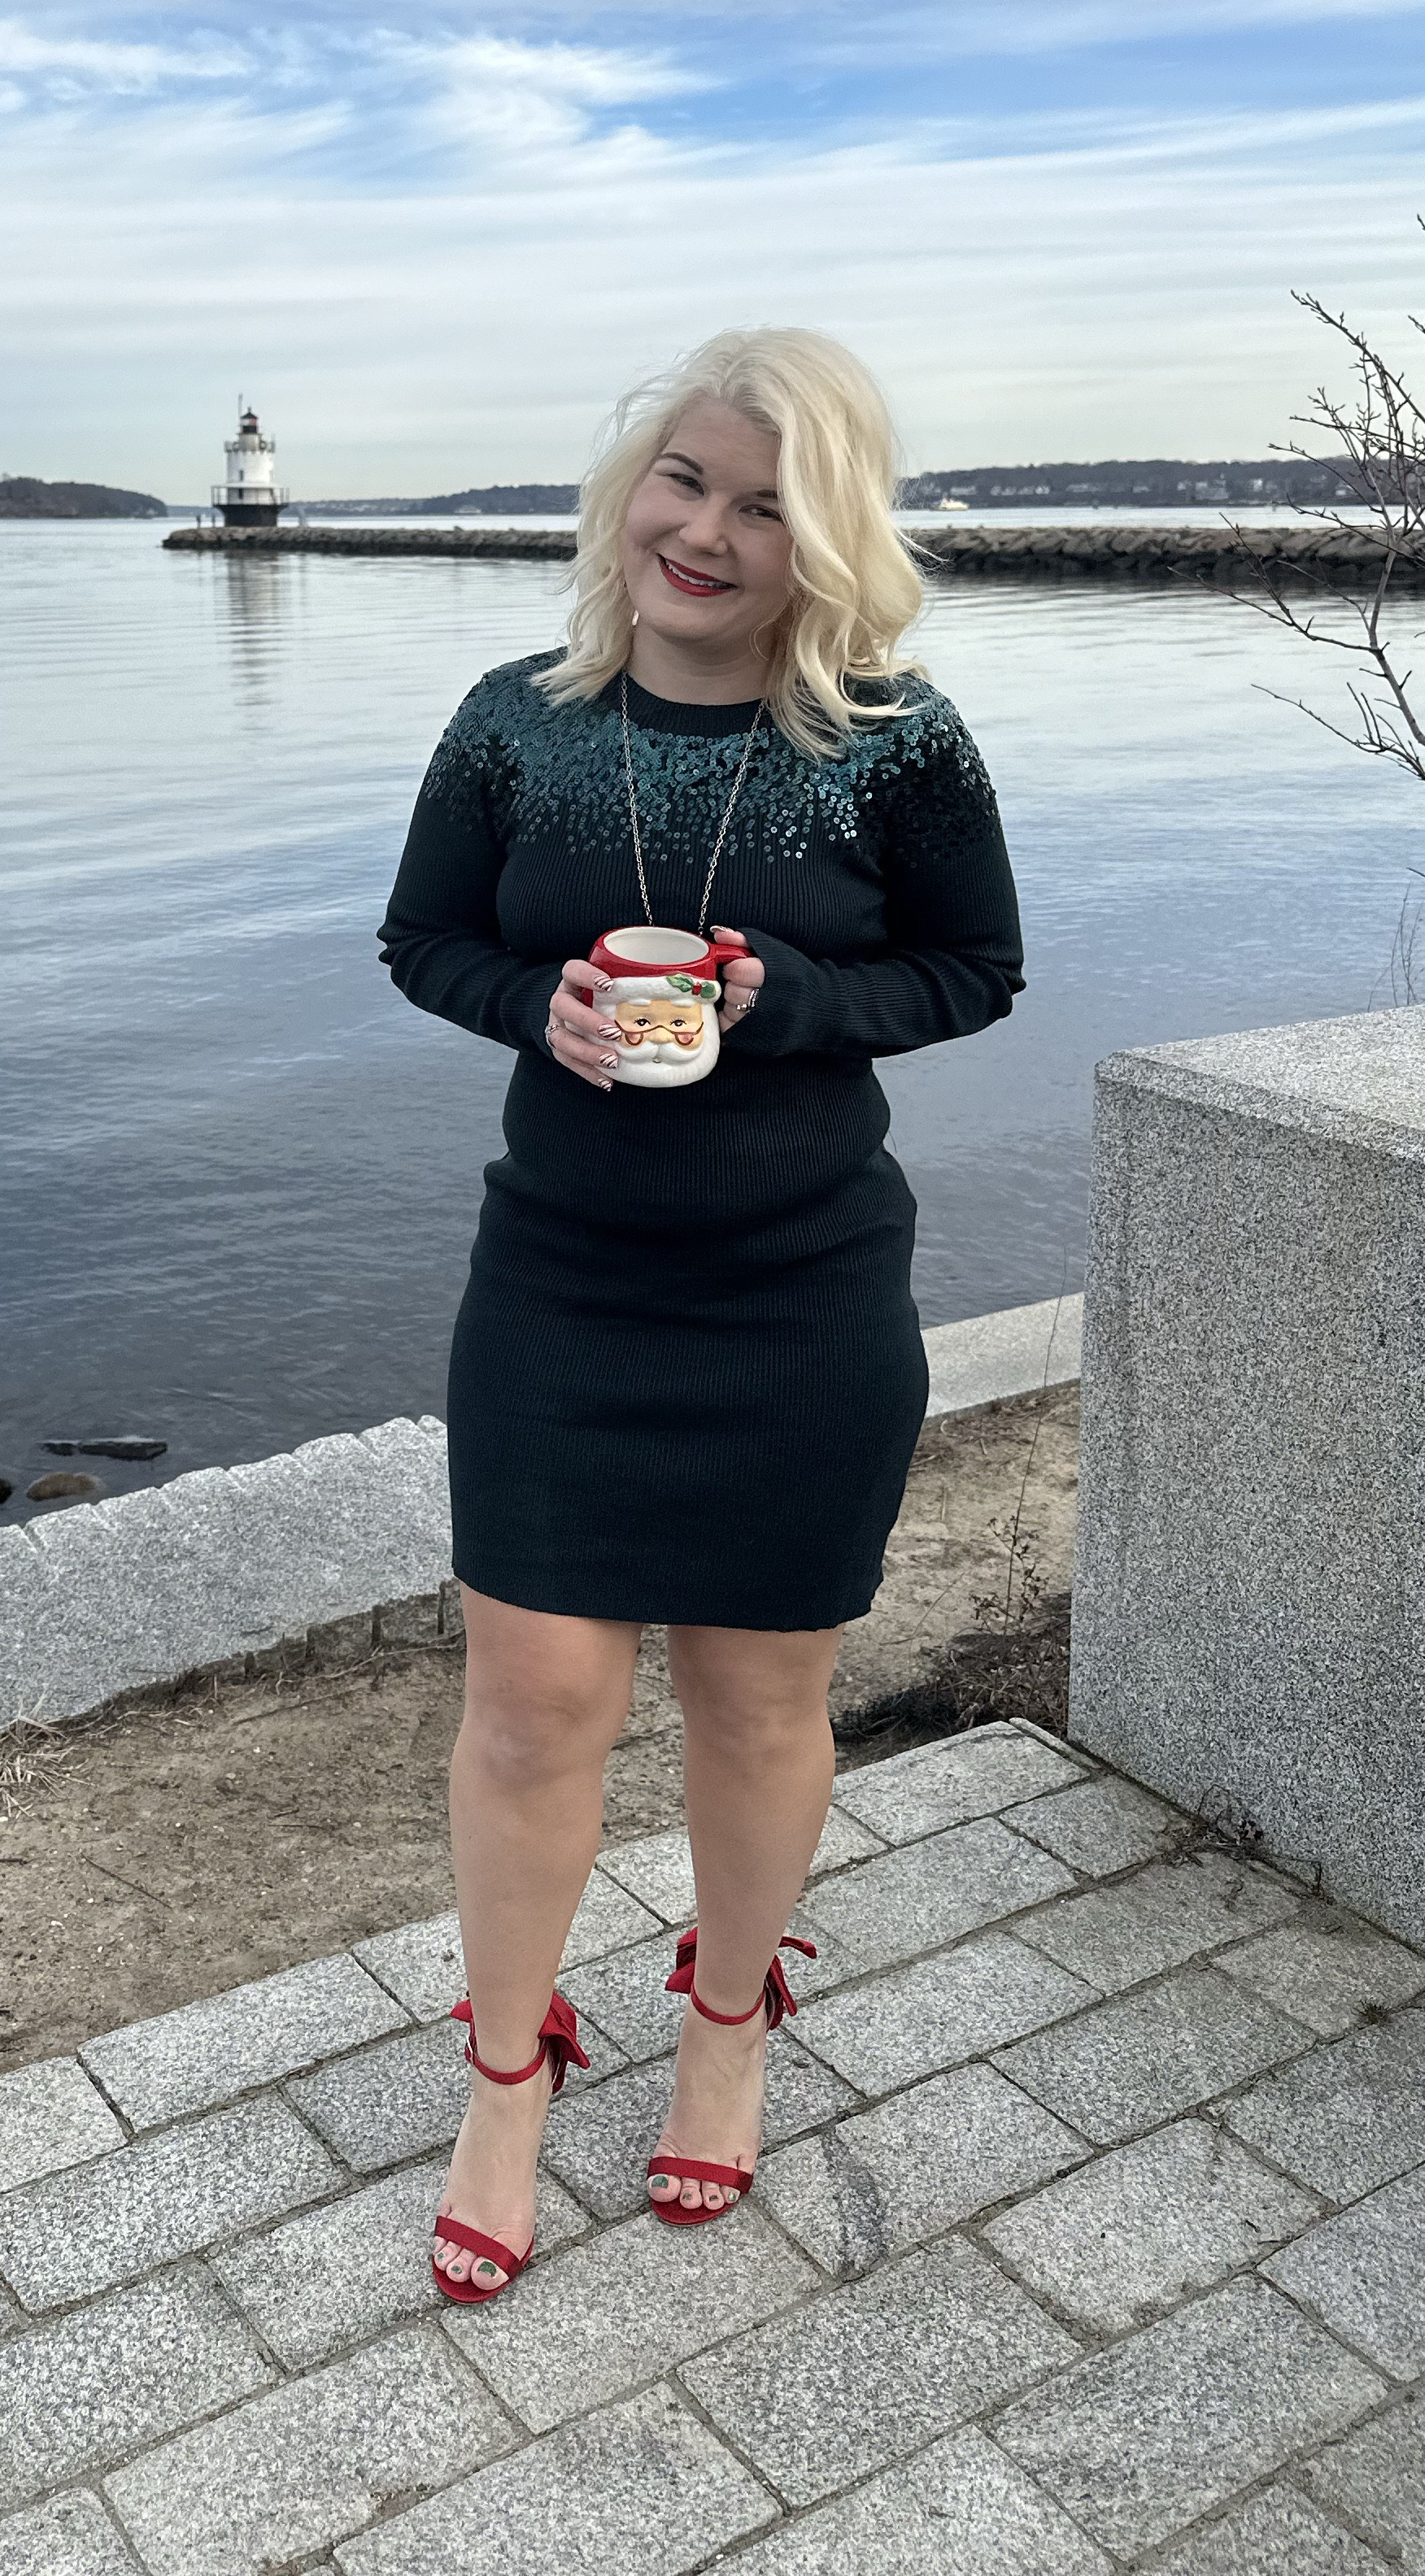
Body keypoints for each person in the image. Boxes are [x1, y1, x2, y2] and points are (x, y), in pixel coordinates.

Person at [377, 326, 1023, 2300]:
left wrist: (794, 1007)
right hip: (565, 1286)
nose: (710, 532)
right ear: (626, 491)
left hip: (805, 1291)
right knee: (534, 1707)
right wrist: (542, 1006)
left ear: (822, 531)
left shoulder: (895, 739)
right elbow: (427, 939)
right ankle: (509, 2069)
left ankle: (726, 2021)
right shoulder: (513, 721)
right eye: (685, 482)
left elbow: (974, 967)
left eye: (764, 501)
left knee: (760, 1703)